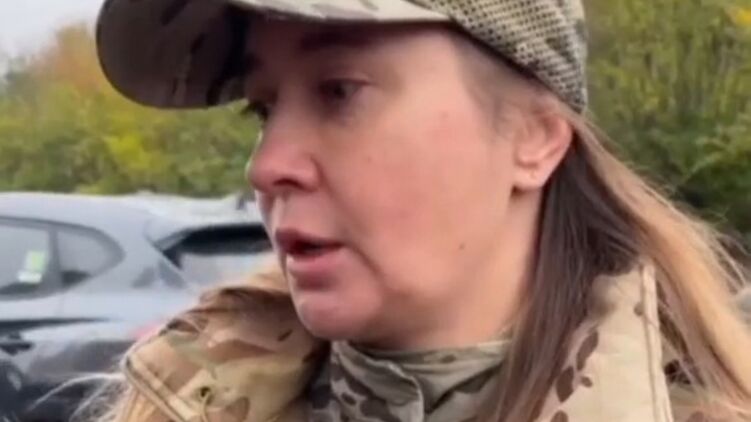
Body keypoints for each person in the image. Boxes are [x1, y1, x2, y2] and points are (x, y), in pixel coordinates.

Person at [91, 0, 751, 421]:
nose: (266, 166)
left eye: (338, 92)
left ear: (533, 139)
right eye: (263, 109)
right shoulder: (183, 396)